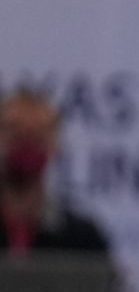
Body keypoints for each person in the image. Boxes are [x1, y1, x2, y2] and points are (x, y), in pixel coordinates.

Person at [0, 88, 112, 258]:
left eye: (37, 135)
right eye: (15, 132)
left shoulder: (82, 237)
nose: (26, 144)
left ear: (55, 146)